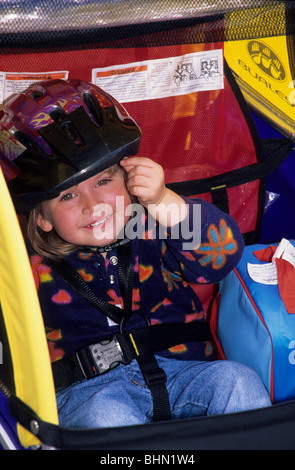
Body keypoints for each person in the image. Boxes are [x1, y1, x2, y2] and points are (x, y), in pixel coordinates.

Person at [0, 78, 271, 429]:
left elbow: (221, 257)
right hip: (85, 393)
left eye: (103, 181)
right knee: (108, 418)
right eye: (67, 196)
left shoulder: (155, 227)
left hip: (183, 372)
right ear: (42, 218)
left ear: (129, 178)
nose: (93, 204)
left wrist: (164, 203)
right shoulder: (30, 266)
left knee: (239, 382)